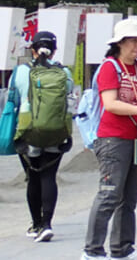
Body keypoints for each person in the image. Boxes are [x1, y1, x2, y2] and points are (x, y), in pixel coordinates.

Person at [82, 18, 137, 260]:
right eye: (133, 41)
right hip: (112, 139)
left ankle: (123, 248)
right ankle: (92, 251)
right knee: (109, 194)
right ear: (119, 43)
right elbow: (110, 103)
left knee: (129, 197)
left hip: (135, 137)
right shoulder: (110, 67)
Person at [14, 31, 72, 242]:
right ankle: (47, 223)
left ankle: (36, 224)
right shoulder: (64, 72)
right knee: (49, 176)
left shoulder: (22, 71)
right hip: (56, 130)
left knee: (33, 176)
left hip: (29, 129)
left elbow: (13, 99)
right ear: (54, 50)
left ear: (33, 49)